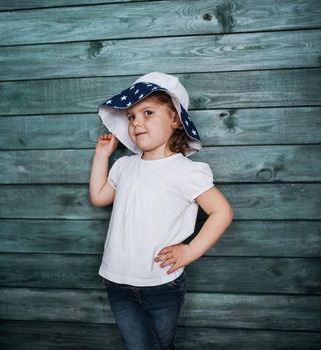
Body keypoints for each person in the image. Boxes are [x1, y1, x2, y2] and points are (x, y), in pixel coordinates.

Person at [89, 72, 233, 350]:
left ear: (175, 120)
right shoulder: (124, 166)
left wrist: (190, 251)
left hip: (161, 284)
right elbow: (99, 197)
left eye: (147, 112)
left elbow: (222, 212)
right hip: (116, 281)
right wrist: (101, 157)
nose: (137, 123)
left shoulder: (187, 171)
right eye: (131, 117)